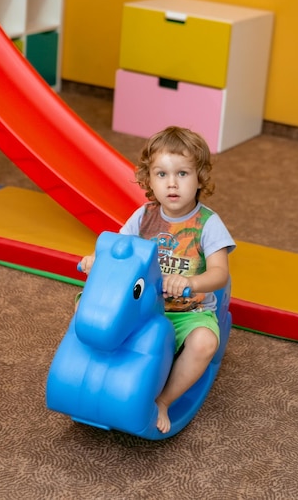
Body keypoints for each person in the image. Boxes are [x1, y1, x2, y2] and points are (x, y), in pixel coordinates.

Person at [79, 126, 236, 434]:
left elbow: (220, 274)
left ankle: (164, 399)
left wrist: (190, 281)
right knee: (88, 310)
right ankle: (96, 375)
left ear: (200, 177)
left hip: (188, 312)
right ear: (148, 180)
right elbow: (118, 253)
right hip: (144, 308)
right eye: (161, 174)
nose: (172, 183)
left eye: (182, 173)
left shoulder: (208, 224)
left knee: (205, 343)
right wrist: (96, 261)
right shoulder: (143, 216)